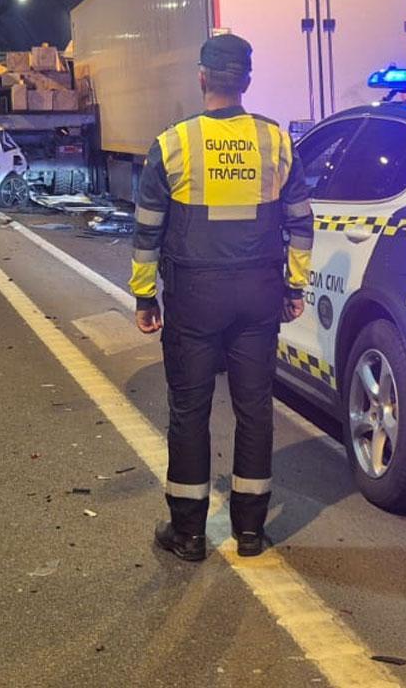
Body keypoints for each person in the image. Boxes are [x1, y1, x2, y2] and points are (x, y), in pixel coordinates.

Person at [131, 33, 313, 561]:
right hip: (257, 295)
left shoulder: (173, 143)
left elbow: (148, 231)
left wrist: (146, 298)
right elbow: (301, 224)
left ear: (203, 77)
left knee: (190, 411)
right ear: (247, 81)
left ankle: (188, 533)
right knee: (254, 410)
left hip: (194, 296)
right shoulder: (277, 142)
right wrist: (293, 286)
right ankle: (251, 531)